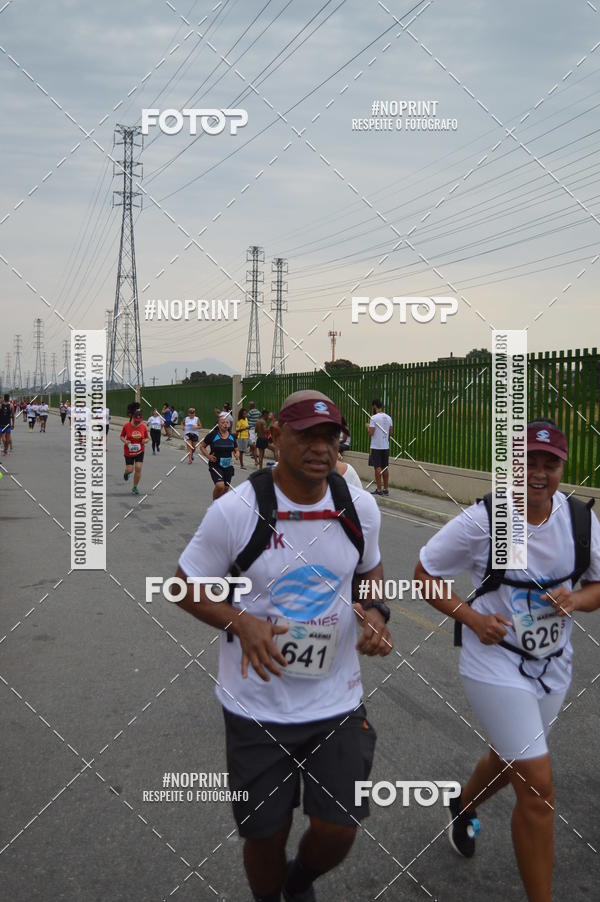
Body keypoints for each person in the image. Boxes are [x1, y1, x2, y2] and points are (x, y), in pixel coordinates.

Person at [174, 389, 392, 902]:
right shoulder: (237, 510)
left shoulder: (357, 506)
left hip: (336, 699)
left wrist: (377, 610)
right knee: (264, 834)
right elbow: (183, 584)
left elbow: (370, 569)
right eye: (305, 435)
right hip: (256, 705)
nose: (320, 447)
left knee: (339, 830)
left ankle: (300, 882)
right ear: (276, 438)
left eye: (330, 436)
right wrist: (240, 620)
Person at [414, 418, 600, 902]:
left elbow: (598, 585)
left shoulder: (580, 520)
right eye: (527, 463)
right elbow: (425, 573)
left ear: (563, 467)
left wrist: (576, 600)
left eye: (550, 463)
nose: (538, 474)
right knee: (537, 786)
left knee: (509, 756)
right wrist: (473, 619)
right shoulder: (485, 521)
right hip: (493, 662)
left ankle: (462, 803)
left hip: (554, 663)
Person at [200, 413, 239, 500]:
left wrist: (237, 454)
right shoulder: (213, 435)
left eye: (227, 422)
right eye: (222, 422)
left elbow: (236, 449)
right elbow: (202, 446)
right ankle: (214, 504)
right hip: (215, 465)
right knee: (220, 486)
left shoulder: (232, 436)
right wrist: (208, 456)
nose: (225, 424)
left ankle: (220, 506)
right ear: (218, 424)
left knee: (225, 489)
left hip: (228, 466)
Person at [120, 406, 149, 495]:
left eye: (139, 420)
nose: (137, 422)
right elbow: (121, 436)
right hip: (129, 451)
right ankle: (126, 473)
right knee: (130, 469)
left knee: (138, 468)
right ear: (132, 416)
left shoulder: (143, 426)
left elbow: (147, 438)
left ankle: (135, 487)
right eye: (136, 420)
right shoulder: (126, 426)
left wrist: (145, 441)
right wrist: (126, 441)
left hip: (140, 450)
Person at [367, 399, 392, 496]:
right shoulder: (389, 418)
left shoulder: (373, 418)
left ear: (374, 406)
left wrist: (368, 427)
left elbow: (371, 433)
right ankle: (386, 489)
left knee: (377, 467)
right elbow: (391, 433)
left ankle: (379, 489)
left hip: (376, 447)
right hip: (385, 446)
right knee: (385, 467)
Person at [247, 400, 261, 465]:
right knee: (254, 444)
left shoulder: (250, 412)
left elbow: (246, 417)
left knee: (253, 445)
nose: (248, 406)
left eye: (249, 405)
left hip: (251, 430)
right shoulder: (258, 411)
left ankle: (256, 459)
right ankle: (256, 458)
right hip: (257, 430)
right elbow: (260, 417)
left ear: (251, 406)